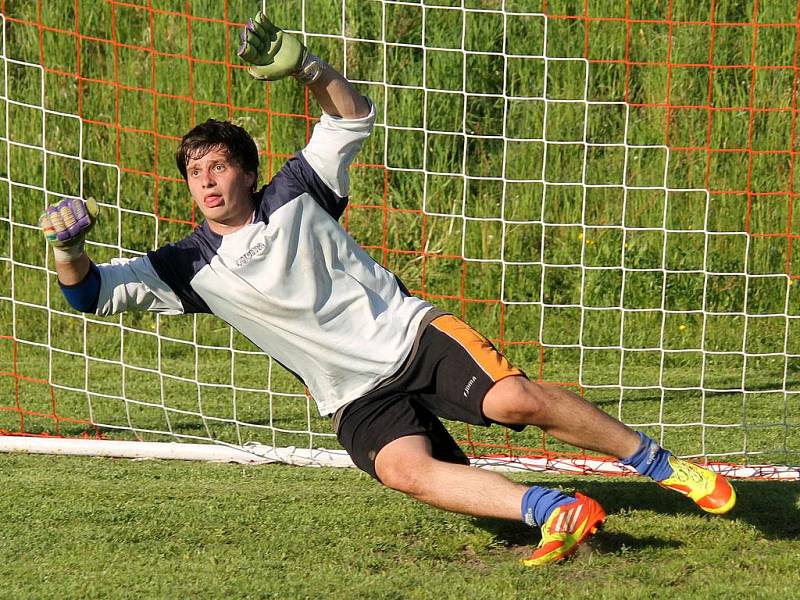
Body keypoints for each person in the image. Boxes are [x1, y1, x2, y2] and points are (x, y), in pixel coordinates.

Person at [39, 10, 736, 566]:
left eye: (220, 167)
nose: (209, 182)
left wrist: (310, 68)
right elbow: (90, 294)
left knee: (514, 399)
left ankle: (666, 466)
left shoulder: (298, 191)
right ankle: (553, 510)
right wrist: (69, 248)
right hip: (351, 395)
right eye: (197, 172)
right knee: (407, 471)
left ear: (247, 172)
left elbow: (349, 117)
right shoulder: (188, 265)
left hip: (410, 338)